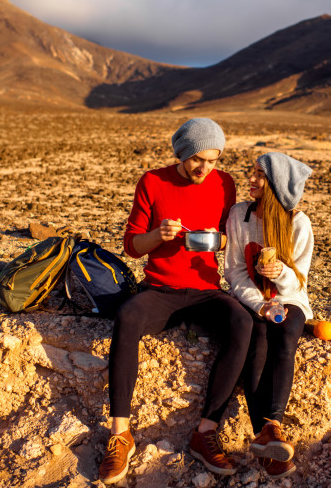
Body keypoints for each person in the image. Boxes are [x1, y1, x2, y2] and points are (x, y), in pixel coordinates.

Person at [98, 117, 253, 485]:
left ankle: (205, 432)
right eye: (198, 159)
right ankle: (120, 434)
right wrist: (159, 234)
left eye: (213, 159)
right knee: (128, 317)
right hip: (160, 292)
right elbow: (132, 247)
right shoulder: (153, 181)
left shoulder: (224, 183)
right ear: (182, 154)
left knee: (242, 323)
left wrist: (223, 241)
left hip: (205, 291)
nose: (205, 168)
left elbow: (231, 236)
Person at [224, 152, 314, 480]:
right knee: (257, 337)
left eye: (260, 175)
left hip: (287, 299)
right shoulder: (239, 215)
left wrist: (280, 273)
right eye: (253, 172)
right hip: (253, 300)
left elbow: (298, 281)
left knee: (286, 331)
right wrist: (258, 304)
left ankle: (271, 426)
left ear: (276, 185)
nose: (251, 179)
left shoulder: (298, 223)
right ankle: (266, 435)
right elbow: (233, 271)